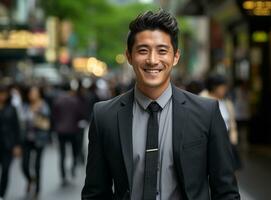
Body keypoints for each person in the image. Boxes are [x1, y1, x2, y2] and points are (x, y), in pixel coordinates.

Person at [82, 10, 240, 200]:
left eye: (162, 51)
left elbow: (226, 192)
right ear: (129, 56)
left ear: (175, 57)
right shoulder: (104, 115)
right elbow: (95, 193)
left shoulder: (206, 113)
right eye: (143, 50)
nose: (152, 60)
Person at [200, 74, 242, 170]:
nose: (224, 90)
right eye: (222, 87)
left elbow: (232, 122)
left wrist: (233, 138)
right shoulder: (202, 100)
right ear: (214, 87)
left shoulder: (227, 102)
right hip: (210, 141)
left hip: (226, 141)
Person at [52, 82, 85, 185]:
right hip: (73, 130)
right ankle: (73, 167)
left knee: (62, 154)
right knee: (74, 151)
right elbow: (80, 115)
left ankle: (63, 176)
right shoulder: (75, 101)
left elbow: (54, 116)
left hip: (60, 131)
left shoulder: (57, 101)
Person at [22, 85, 50, 199]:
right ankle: (30, 179)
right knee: (24, 165)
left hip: (39, 139)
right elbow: (22, 119)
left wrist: (36, 116)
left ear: (39, 94)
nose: (32, 95)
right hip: (27, 139)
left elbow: (46, 123)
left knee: (37, 165)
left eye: (34, 92)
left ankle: (37, 189)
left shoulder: (43, 105)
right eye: (30, 92)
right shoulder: (25, 105)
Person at [0, 85, 21, 200]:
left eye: (4, 94)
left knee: (6, 170)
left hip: (8, 145)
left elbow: (16, 127)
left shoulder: (11, 108)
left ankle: (2, 194)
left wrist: (17, 145)